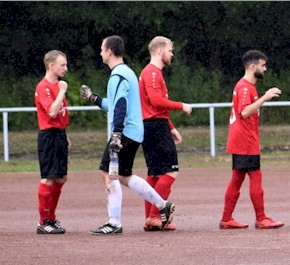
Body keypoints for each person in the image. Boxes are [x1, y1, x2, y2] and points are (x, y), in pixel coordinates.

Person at [79, 35, 175, 235]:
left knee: (109, 173)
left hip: (124, 132)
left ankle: (114, 222)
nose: (100, 52)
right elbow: (114, 105)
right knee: (123, 175)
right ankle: (162, 205)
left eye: (102, 49)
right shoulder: (125, 73)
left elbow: (121, 105)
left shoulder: (118, 75)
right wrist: (94, 98)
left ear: (110, 51)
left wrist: (116, 134)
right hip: (131, 132)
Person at [220, 50, 285, 230]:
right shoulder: (245, 87)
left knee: (236, 180)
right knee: (255, 178)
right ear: (252, 66)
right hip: (245, 141)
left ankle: (227, 219)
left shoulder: (248, 86)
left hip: (243, 140)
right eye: (262, 65)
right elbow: (245, 111)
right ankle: (261, 218)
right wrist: (265, 97)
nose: (265, 69)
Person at [138, 36, 192, 232]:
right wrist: (181, 106)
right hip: (154, 126)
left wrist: (170, 126)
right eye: (170, 50)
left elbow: (151, 105)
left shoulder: (150, 72)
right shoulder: (152, 72)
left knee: (154, 175)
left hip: (154, 125)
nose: (172, 54)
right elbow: (155, 101)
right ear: (160, 51)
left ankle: (150, 219)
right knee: (171, 171)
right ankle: (154, 216)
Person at [34, 50, 72, 234]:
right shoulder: (44, 86)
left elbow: (60, 115)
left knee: (61, 177)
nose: (65, 68)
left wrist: (64, 135)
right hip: (48, 136)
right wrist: (62, 91)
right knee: (48, 178)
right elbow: (52, 111)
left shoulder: (57, 85)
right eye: (62, 65)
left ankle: (51, 217)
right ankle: (44, 221)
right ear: (51, 66)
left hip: (58, 134)